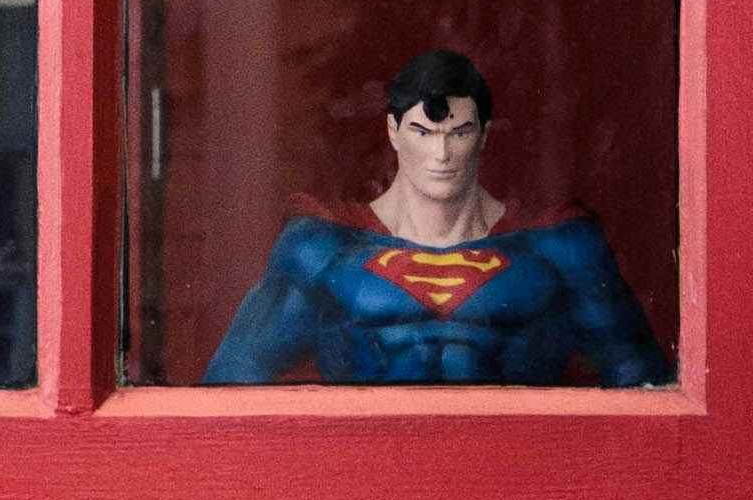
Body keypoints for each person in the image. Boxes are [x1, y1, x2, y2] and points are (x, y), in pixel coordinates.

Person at [203, 46, 667, 387]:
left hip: (516, 483)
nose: (441, 153)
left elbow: (642, 385)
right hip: (364, 485)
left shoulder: (559, 251)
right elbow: (232, 385)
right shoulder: (322, 251)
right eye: (423, 132)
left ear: (483, 136)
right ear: (394, 132)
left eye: (458, 133)